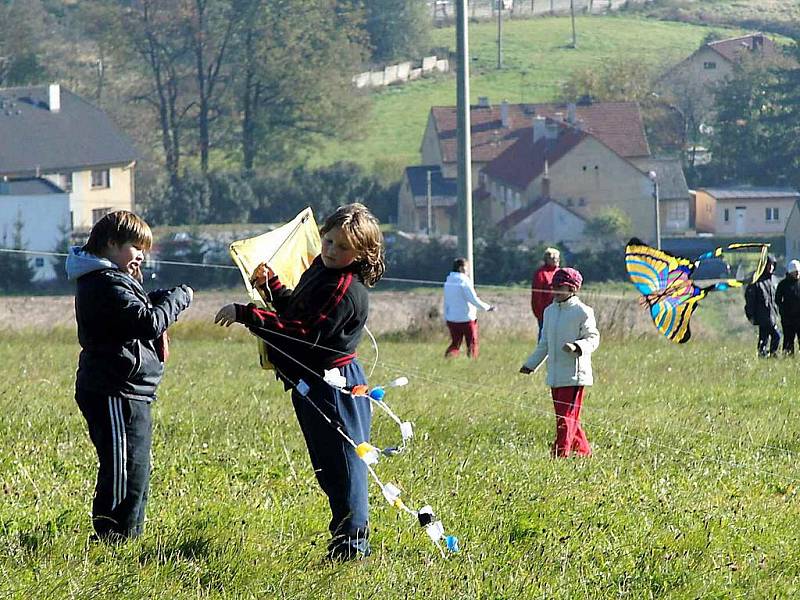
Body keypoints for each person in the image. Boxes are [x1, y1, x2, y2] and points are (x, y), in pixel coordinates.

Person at [214, 203, 384, 561]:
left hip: (336, 387)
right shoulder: (320, 270)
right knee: (327, 467)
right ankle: (344, 541)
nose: (332, 251)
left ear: (362, 254)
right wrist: (271, 285)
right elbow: (295, 310)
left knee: (346, 468)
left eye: (343, 247)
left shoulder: (344, 289)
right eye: (329, 240)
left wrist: (247, 314)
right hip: (312, 384)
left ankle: (353, 549)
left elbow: (303, 334)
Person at [66, 210, 193, 541]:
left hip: (131, 390)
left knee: (137, 468)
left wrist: (156, 293)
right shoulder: (102, 283)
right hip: (113, 390)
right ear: (111, 244)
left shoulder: (115, 279)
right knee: (123, 470)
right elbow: (147, 322)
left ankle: (128, 538)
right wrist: (180, 298)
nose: (141, 255)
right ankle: (111, 541)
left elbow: (139, 308)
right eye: (136, 247)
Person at [519, 267, 599, 458]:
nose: (555, 291)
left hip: (574, 375)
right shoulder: (549, 312)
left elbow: (593, 338)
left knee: (565, 418)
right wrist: (531, 364)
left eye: (560, 287)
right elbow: (544, 343)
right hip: (555, 375)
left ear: (573, 289)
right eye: (554, 286)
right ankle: (583, 453)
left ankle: (560, 455)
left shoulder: (583, 311)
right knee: (568, 418)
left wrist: (577, 347)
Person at [443, 257, 495, 358]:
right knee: (472, 343)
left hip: (452, 319)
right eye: (467, 267)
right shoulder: (464, 281)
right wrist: (487, 307)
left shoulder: (448, 281)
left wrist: (446, 316)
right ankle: (472, 362)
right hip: (466, 318)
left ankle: (448, 358)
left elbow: (447, 301)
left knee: (456, 343)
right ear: (462, 268)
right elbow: (473, 299)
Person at [745, 255, 780, 357]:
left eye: (773, 265)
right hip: (763, 317)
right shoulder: (756, 282)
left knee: (763, 339)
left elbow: (773, 300)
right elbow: (750, 300)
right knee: (776, 336)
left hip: (771, 316)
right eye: (769, 265)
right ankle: (772, 355)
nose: (771, 267)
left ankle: (763, 356)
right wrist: (750, 315)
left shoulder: (772, 281)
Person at [531, 247, 560, 339]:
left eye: (557, 258)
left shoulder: (560, 273)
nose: (556, 260)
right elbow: (537, 296)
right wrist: (539, 313)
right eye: (553, 258)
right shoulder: (541, 274)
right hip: (545, 312)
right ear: (547, 259)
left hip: (560, 311)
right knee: (544, 337)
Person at [776, 259, 800, 355]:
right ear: (790, 272)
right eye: (795, 272)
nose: (797, 274)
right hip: (788, 319)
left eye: (798, 272)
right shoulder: (783, 285)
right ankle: (788, 359)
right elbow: (777, 299)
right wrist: (783, 311)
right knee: (788, 341)